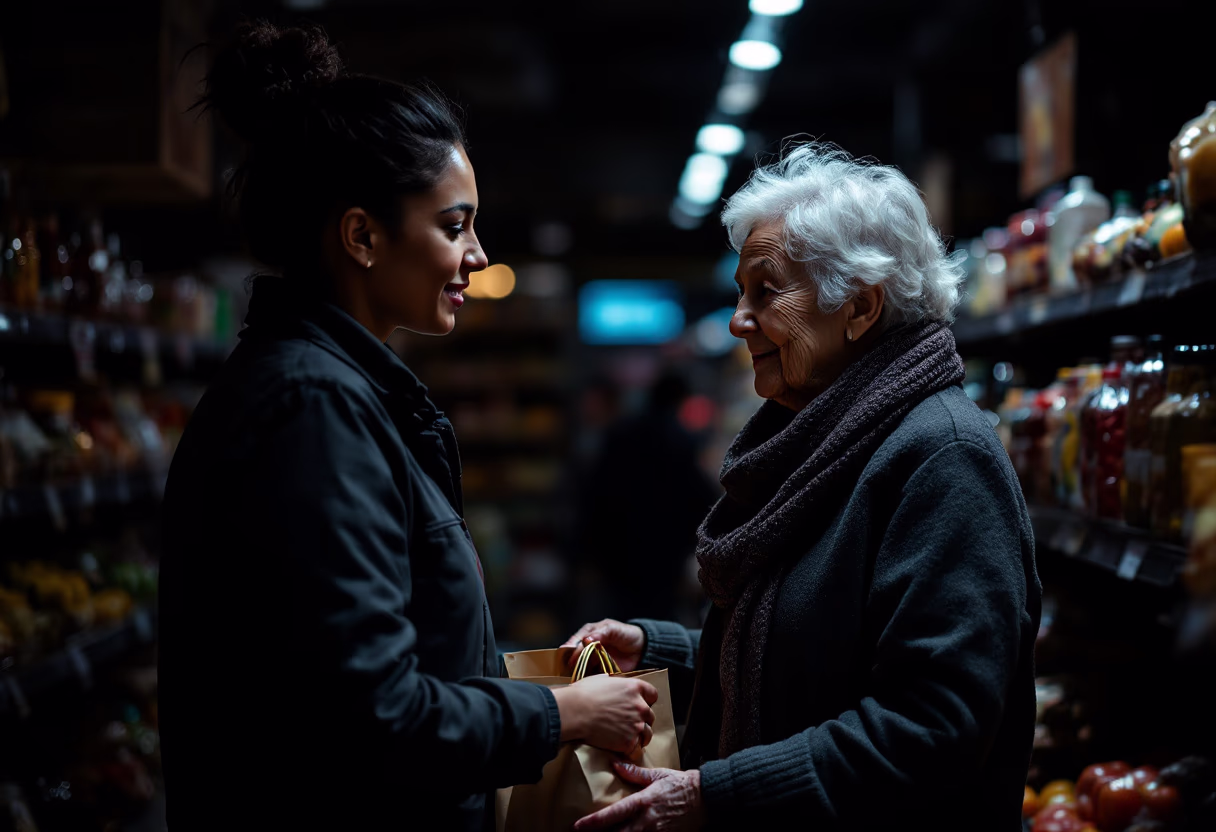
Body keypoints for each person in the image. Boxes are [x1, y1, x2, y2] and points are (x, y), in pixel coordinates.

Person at [157, 23, 656, 832]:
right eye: (454, 225)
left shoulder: (330, 391)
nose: (477, 255)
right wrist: (562, 715)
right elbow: (370, 715)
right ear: (361, 236)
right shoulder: (312, 408)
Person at [564, 144, 1041, 831]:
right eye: (741, 292)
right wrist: (659, 648)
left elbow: (933, 725)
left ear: (860, 307)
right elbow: (802, 662)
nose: (737, 319)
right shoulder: (822, 440)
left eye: (766, 290)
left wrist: (716, 796)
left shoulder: (943, 458)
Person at [575, 371, 719, 623]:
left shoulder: (620, 434)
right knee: (655, 621)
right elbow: (702, 496)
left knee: (618, 621)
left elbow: (595, 495)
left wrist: (589, 549)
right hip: (663, 552)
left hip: (618, 551)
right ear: (680, 400)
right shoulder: (680, 440)